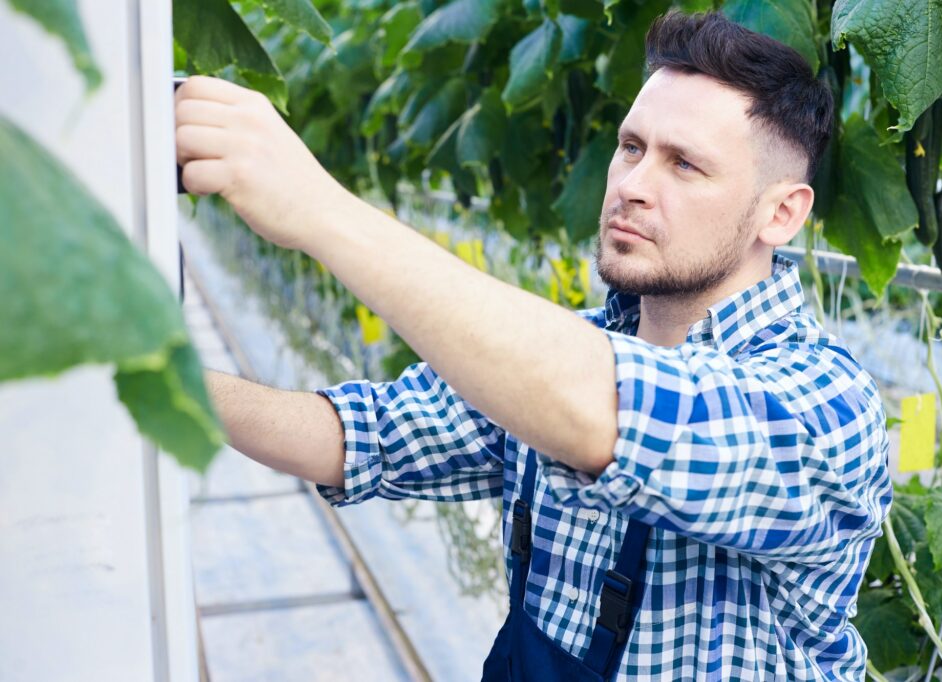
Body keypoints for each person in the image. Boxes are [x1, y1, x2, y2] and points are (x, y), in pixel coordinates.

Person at [176, 10, 892, 681]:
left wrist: (321, 210)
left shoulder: (828, 407)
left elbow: (609, 415)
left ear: (782, 213)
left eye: (685, 165)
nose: (633, 186)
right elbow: (364, 437)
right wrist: (161, 374)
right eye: (632, 148)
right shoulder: (558, 355)